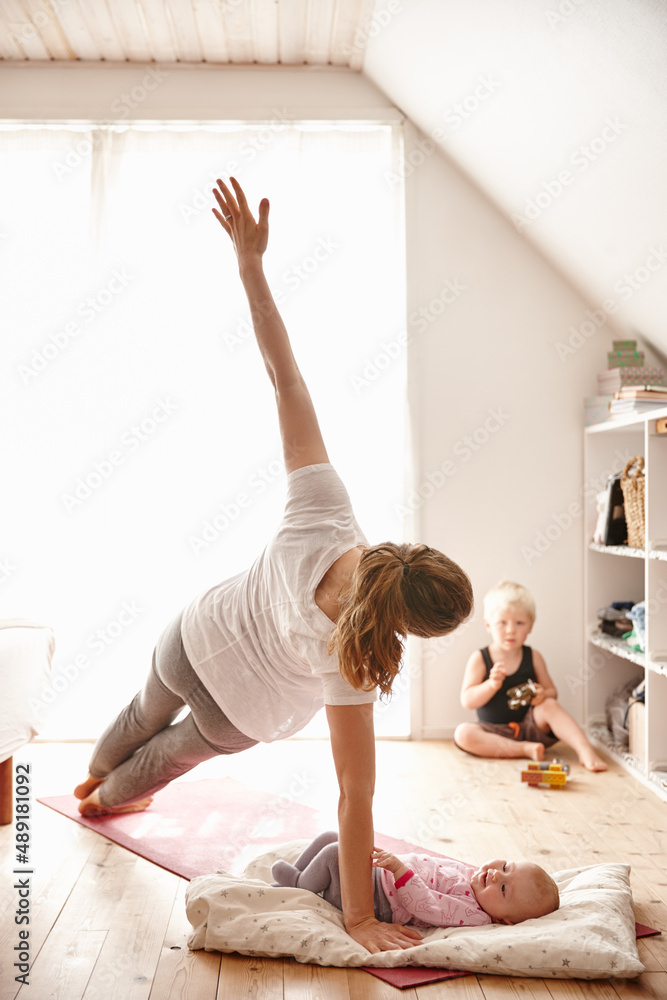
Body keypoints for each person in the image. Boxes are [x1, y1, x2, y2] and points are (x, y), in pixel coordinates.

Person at [72, 177, 474, 954]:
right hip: (237, 713)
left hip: (188, 637)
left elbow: (284, 378)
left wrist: (250, 264)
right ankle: (106, 799)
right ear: (406, 625)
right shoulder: (353, 659)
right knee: (162, 760)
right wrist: (358, 918)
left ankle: (91, 774)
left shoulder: (325, 508)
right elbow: (354, 796)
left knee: (136, 714)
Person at [454, 581, 607, 771]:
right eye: (502, 623)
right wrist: (491, 685)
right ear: (488, 625)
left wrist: (543, 694)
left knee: (550, 706)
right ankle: (524, 749)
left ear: (530, 626)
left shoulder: (533, 656)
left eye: (519, 623)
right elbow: (467, 701)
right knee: (464, 734)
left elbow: (552, 692)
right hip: (492, 731)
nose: (511, 630)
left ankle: (585, 750)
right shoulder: (480, 658)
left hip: (530, 727)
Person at [271, 831, 559, 927]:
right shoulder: (473, 877)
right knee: (334, 837)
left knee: (336, 854)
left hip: (374, 901)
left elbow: (427, 907)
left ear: (504, 920)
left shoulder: (473, 913)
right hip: (377, 878)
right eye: (506, 866)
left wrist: (398, 870)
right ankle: (296, 879)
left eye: (505, 887)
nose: (497, 874)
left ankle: (298, 886)